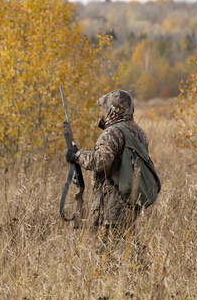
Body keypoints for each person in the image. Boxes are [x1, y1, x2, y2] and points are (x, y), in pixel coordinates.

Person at [65, 89, 151, 256]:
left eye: (105, 107)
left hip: (112, 204)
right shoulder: (139, 132)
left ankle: (110, 278)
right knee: (128, 246)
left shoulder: (112, 132)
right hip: (132, 201)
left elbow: (100, 162)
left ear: (112, 108)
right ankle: (138, 273)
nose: (102, 111)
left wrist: (77, 156)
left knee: (105, 255)